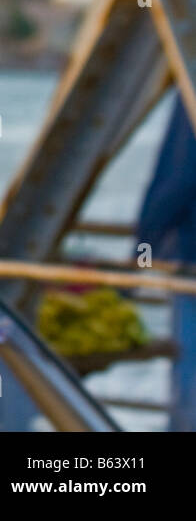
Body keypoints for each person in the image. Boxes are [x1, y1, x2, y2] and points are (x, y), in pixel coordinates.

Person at [136, 93, 196, 432]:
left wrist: (143, 247)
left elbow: (179, 176)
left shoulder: (192, 82)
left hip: (191, 263)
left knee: (189, 389)